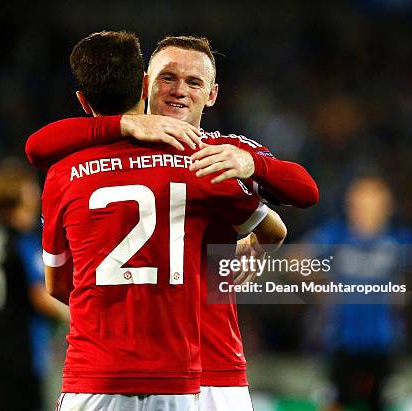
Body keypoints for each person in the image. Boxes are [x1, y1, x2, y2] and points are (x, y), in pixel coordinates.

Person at [26, 35, 317, 410]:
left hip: (213, 366)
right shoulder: (188, 162)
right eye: (168, 78)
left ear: (212, 94)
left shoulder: (219, 152)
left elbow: (306, 191)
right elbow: (36, 147)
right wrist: (125, 126)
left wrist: (254, 165)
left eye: (194, 82)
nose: (179, 90)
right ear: (146, 82)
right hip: (170, 375)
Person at [0, 158, 69, 411]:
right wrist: (76, 316)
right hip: (26, 351)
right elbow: (39, 295)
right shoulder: (23, 242)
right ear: (21, 194)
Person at [304, 172, 412, 411]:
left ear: (386, 206)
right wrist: (322, 287)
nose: (366, 209)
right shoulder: (336, 236)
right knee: (336, 399)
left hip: (383, 340)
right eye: (360, 202)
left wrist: (403, 291)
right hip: (342, 338)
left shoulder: (399, 240)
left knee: (381, 400)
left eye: (374, 202)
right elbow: (298, 259)